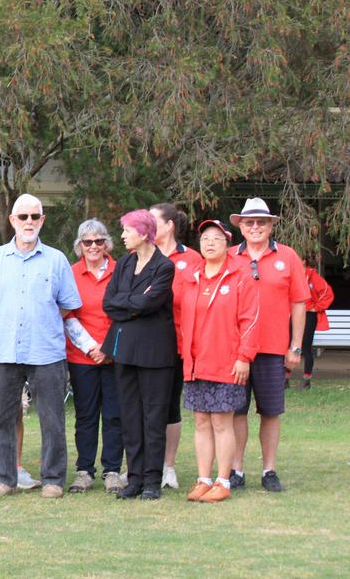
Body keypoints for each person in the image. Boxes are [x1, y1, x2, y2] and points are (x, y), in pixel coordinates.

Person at [0, 194, 82, 498]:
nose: (29, 222)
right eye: (23, 217)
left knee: (52, 419)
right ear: (12, 221)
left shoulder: (57, 260)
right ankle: (4, 479)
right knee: (2, 419)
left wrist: (40, 319)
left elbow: (67, 304)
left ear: (42, 220)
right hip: (5, 350)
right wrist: (7, 319)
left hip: (46, 351)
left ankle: (53, 480)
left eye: (35, 217)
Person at [228, 197, 308, 492]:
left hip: (273, 348)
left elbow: (299, 302)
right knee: (236, 411)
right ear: (241, 227)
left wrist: (296, 346)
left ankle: (269, 470)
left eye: (261, 222)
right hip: (236, 351)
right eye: (249, 222)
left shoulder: (287, 256)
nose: (255, 227)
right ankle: (236, 469)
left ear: (271, 226)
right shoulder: (229, 256)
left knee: (271, 412)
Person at [178, 219, 260, 503]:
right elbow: (182, 317)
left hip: (226, 361)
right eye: (205, 239)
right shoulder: (192, 276)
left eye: (216, 238)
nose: (209, 243)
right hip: (195, 362)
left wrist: (244, 356)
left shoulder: (240, 275)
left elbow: (250, 319)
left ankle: (223, 480)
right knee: (201, 421)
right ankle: (204, 479)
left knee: (222, 422)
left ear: (228, 244)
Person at [102, 209, 176, 500]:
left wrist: (130, 304)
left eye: (127, 230)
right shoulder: (124, 263)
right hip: (125, 351)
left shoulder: (164, 266)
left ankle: (152, 481)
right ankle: (134, 479)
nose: (122, 236)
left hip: (155, 353)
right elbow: (109, 302)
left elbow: (150, 303)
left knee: (153, 418)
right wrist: (134, 304)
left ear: (144, 233)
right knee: (130, 417)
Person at [63, 219, 124, 494]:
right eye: (88, 242)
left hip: (115, 356)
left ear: (107, 243)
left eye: (99, 241)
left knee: (114, 415)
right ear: (80, 245)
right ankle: (84, 471)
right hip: (81, 357)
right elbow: (67, 314)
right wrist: (92, 348)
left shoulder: (121, 270)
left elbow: (125, 313)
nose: (93, 246)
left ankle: (112, 470)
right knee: (86, 416)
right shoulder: (70, 273)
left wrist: (108, 349)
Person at [150, 203, 203, 490]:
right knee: (144, 406)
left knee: (170, 406)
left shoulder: (192, 259)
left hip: (178, 345)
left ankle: (168, 467)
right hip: (146, 344)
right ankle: (143, 464)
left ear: (169, 225)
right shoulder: (140, 255)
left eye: (153, 221)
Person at [302, 265, 334, 389]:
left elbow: (327, 293)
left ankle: (306, 380)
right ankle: (285, 379)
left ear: (304, 261)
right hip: (294, 314)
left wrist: (317, 308)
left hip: (309, 314)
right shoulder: (291, 274)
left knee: (306, 346)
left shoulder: (313, 277)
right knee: (289, 346)